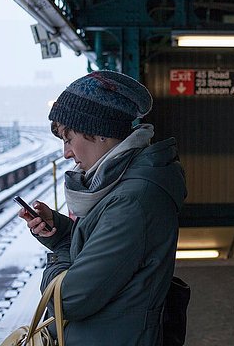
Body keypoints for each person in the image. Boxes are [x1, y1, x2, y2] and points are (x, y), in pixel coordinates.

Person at [18, 70, 187, 345]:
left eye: (68, 138)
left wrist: (59, 253)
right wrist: (59, 231)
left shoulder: (132, 199)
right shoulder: (122, 184)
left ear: (99, 133)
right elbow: (105, 250)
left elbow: (67, 300)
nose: (66, 153)